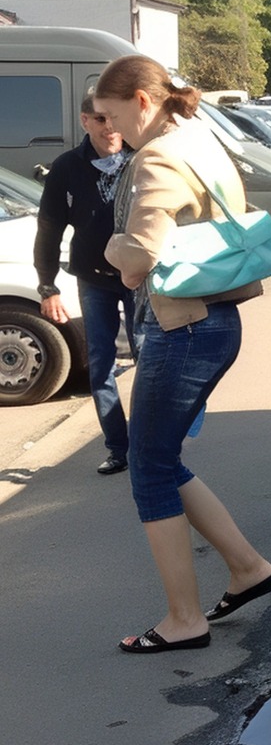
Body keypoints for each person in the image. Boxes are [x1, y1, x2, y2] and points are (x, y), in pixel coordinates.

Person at [97, 55, 271, 653]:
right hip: (212, 321)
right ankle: (247, 568)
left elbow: (141, 254)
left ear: (142, 102)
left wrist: (111, 249)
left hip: (185, 328)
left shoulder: (157, 157)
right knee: (161, 458)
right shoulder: (197, 137)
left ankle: (184, 618)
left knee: (148, 468)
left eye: (112, 113)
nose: (108, 127)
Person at [34, 103, 132, 474]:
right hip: (93, 278)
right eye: (101, 121)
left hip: (139, 277)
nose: (110, 129)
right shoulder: (67, 167)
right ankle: (118, 448)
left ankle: (153, 443)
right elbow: (48, 229)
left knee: (152, 360)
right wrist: (48, 286)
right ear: (85, 121)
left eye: (115, 120)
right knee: (101, 365)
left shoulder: (140, 157)